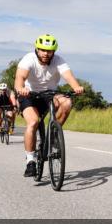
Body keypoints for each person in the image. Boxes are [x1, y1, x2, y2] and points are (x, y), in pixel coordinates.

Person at [15, 34, 84, 177]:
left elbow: (69, 77)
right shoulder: (29, 59)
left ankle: (53, 135)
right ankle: (30, 161)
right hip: (29, 95)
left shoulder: (58, 61)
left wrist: (76, 87)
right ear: (37, 49)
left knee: (67, 102)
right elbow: (19, 78)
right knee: (33, 122)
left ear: (54, 51)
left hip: (49, 94)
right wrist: (21, 88)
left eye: (50, 51)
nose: (46, 54)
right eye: (43, 50)